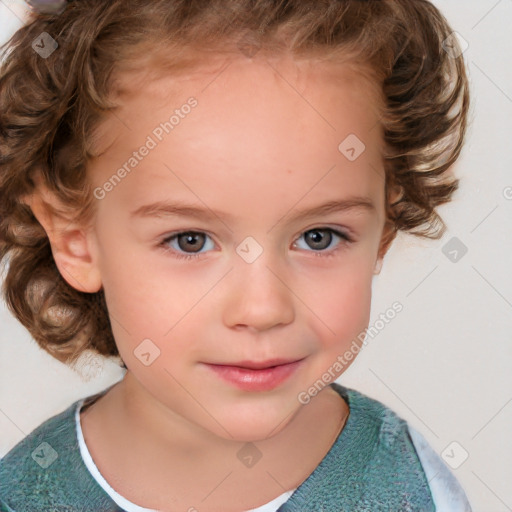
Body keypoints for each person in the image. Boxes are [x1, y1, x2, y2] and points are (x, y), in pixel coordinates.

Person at [0, 1, 472, 510]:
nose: (263, 308)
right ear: (76, 238)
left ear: (383, 224)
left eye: (319, 236)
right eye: (190, 241)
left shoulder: (417, 490)